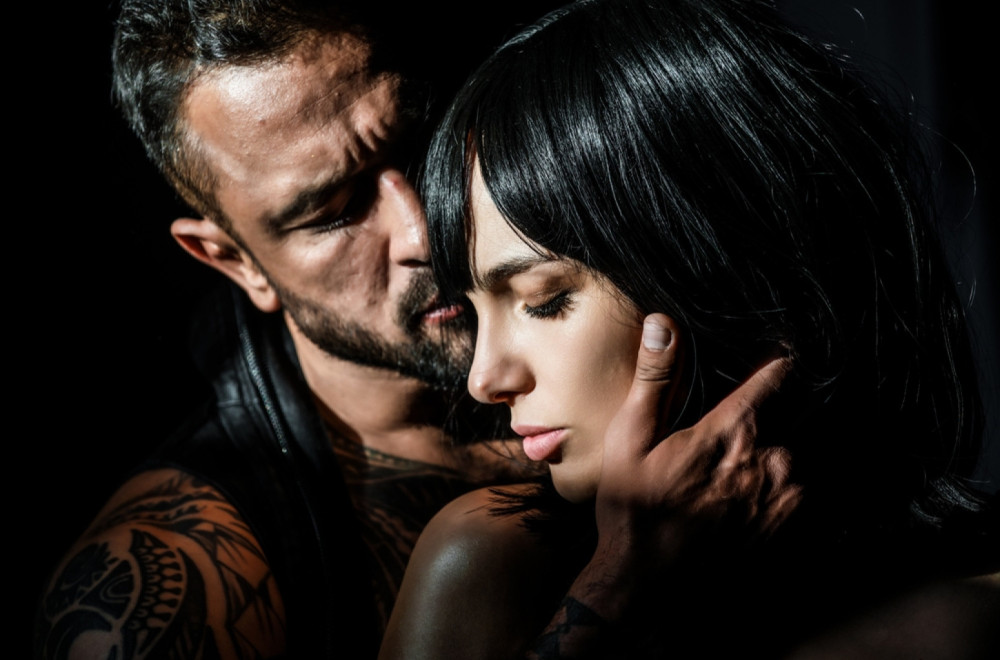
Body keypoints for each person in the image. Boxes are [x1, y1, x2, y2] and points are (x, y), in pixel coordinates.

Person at [379, 0, 1000, 657]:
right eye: (473, 308)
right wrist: (618, 589)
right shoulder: (486, 563)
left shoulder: (967, 616)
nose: (483, 379)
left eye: (544, 300)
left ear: (725, 271)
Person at [33, 1, 569, 657]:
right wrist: (610, 595)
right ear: (233, 261)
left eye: (421, 142)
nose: (423, 233)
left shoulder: (633, 307)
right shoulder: (169, 594)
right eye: (334, 213)